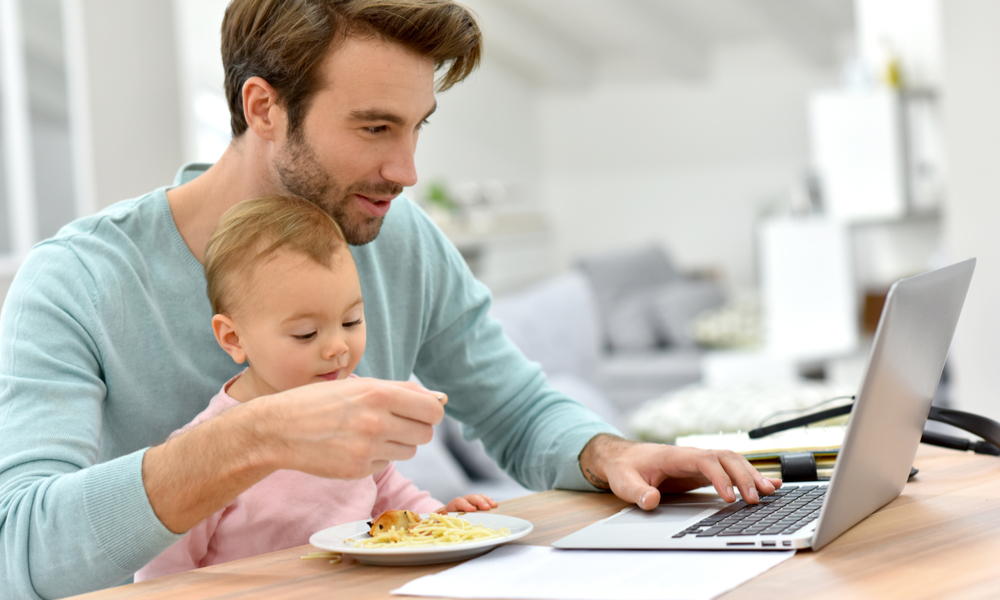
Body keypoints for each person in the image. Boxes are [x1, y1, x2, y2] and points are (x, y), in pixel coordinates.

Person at [0, 1, 778, 598]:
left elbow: (514, 410)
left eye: (416, 127)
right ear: (263, 107)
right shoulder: (79, 281)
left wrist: (612, 454)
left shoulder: (398, 241)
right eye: (375, 128)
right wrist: (250, 437)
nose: (405, 171)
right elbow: (21, 551)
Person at [134, 196, 495, 581]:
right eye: (306, 333)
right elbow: (161, 572)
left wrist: (437, 520)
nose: (338, 347)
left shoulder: (353, 403)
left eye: (352, 321)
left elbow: (385, 486)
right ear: (233, 337)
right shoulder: (210, 452)